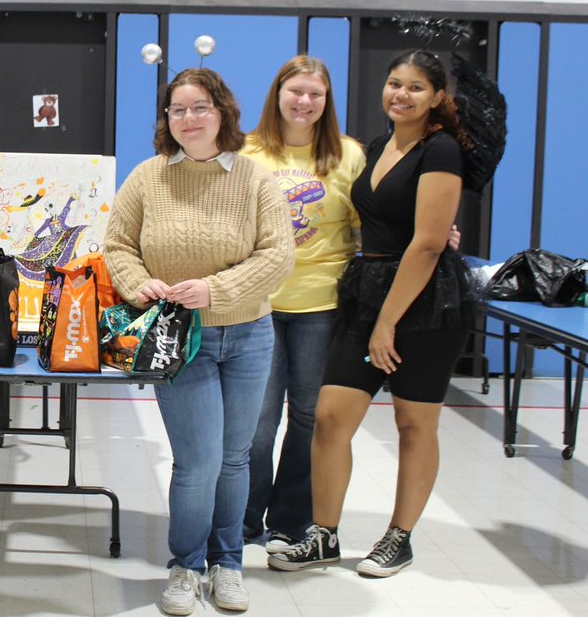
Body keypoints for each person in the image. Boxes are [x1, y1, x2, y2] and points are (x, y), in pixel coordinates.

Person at [268, 50, 478, 578]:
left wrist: (387, 322)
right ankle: (323, 536)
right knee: (331, 418)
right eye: (393, 84)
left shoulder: (442, 150)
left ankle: (398, 538)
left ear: (435, 97)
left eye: (414, 87)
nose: (400, 95)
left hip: (426, 301)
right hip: (369, 289)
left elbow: (428, 245)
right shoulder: (380, 145)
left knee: (413, 423)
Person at [104, 68, 294, 615]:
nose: (188, 118)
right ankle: (185, 566)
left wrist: (215, 289)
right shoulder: (147, 177)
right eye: (177, 110)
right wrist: (141, 284)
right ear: (167, 120)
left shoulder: (256, 179)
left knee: (236, 458)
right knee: (197, 462)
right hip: (179, 339)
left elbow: (276, 255)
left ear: (223, 112)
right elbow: (118, 246)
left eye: (199, 107)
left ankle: (227, 562)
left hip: (251, 335)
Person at [240, 56, 365, 551]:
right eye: (296, 91)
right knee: (257, 420)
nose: (305, 102)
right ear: (277, 94)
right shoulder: (247, 151)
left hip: (322, 302)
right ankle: (244, 516)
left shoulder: (348, 155)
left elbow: (365, 225)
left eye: (316, 94)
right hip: (259, 303)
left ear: (326, 101)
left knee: (310, 417)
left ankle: (291, 519)